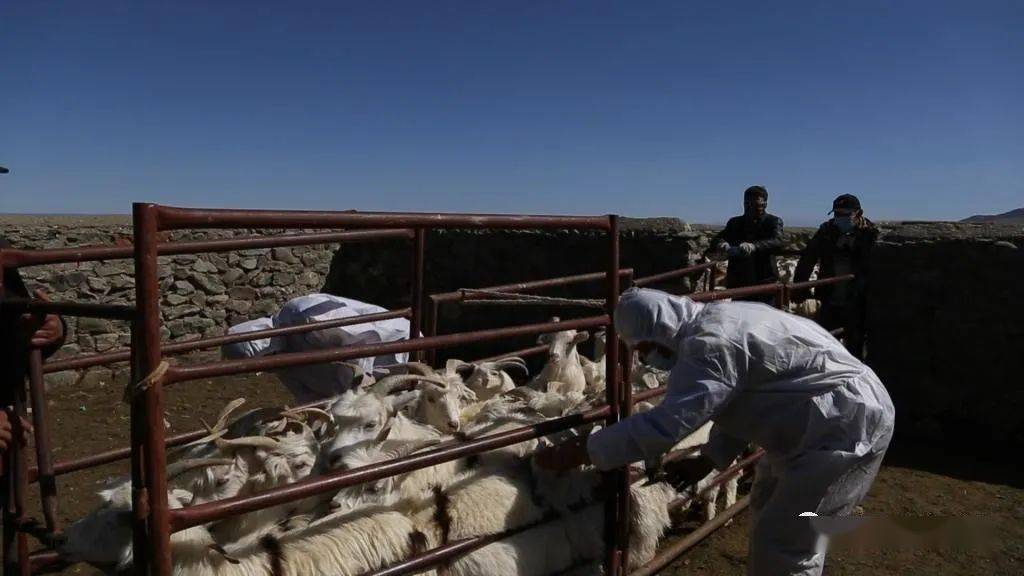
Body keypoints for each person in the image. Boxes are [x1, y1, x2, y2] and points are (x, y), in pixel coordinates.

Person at [535, 287, 895, 576]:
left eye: (644, 348)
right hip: (817, 422)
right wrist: (711, 458)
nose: (647, 360)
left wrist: (583, 449)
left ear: (659, 330)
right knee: (767, 508)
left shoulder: (710, 343)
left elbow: (666, 425)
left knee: (788, 539)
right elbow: (748, 395)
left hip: (845, 426)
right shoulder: (719, 321)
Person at [793, 194, 879, 360]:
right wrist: (800, 289)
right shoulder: (826, 231)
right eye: (836, 214)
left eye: (844, 215)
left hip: (856, 297)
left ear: (858, 213)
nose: (839, 218)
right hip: (829, 296)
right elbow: (807, 259)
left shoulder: (870, 234)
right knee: (826, 342)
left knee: (855, 343)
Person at [708, 186, 784, 303]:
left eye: (755, 204)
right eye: (747, 204)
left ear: (765, 204)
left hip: (764, 281)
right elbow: (718, 238)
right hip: (739, 281)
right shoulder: (735, 223)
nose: (751, 208)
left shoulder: (773, 221)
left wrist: (754, 246)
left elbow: (777, 241)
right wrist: (722, 244)